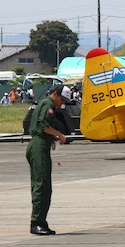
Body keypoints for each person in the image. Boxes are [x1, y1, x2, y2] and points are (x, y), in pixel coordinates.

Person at [26, 84, 72, 235]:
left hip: (42, 145)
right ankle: (36, 222)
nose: (62, 103)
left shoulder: (47, 104)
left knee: (46, 186)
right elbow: (43, 125)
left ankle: (41, 221)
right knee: (41, 185)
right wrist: (59, 134)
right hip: (38, 146)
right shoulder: (48, 105)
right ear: (55, 94)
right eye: (62, 100)